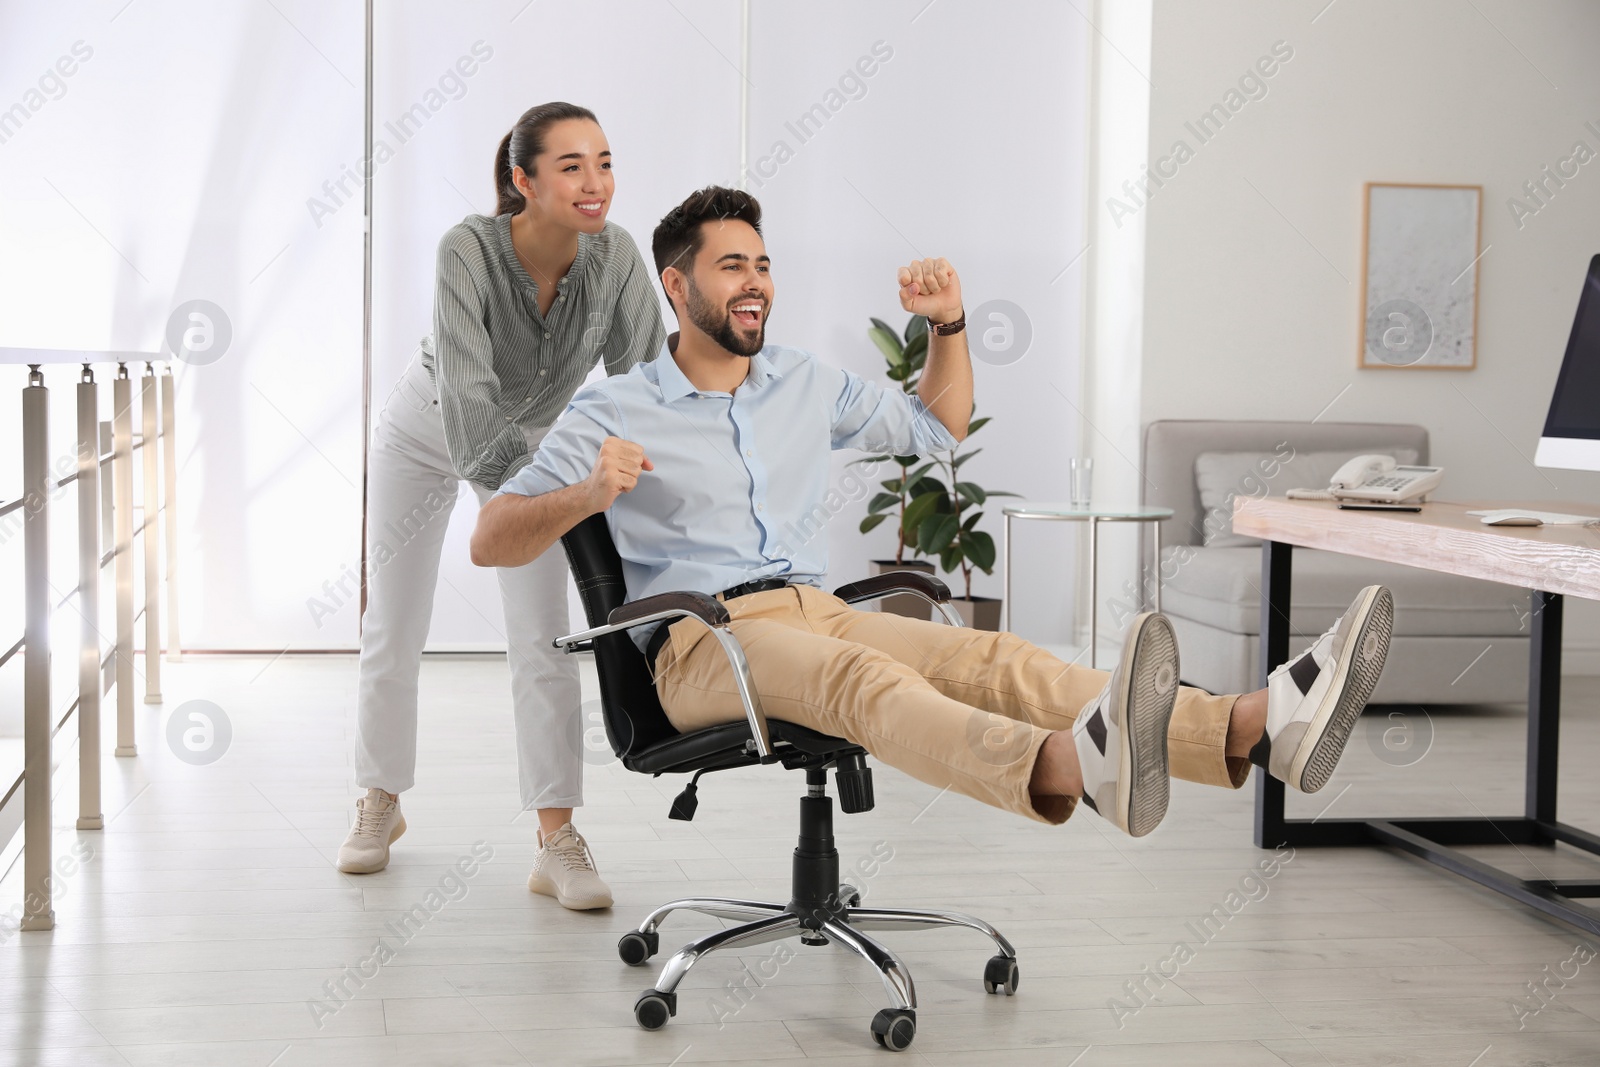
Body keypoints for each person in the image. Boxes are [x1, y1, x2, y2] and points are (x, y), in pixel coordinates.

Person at [468, 185, 1393, 835]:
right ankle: (1077, 769)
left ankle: (1252, 725)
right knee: (869, 690)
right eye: (728, 267)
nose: (753, 283)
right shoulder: (613, 406)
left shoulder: (800, 382)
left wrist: (946, 326)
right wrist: (588, 492)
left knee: (986, 655)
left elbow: (937, 428)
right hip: (700, 642)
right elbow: (490, 540)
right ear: (676, 286)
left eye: (762, 264)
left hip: (811, 608)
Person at [336, 103, 665, 910]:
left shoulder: (616, 257)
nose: (596, 183)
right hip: (430, 423)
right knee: (395, 620)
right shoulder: (468, 251)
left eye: (606, 161)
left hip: (535, 437)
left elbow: (644, 379)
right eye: (572, 166)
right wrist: (527, 502)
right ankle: (379, 797)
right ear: (522, 181)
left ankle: (556, 838)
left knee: (543, 633)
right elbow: (472, 400)